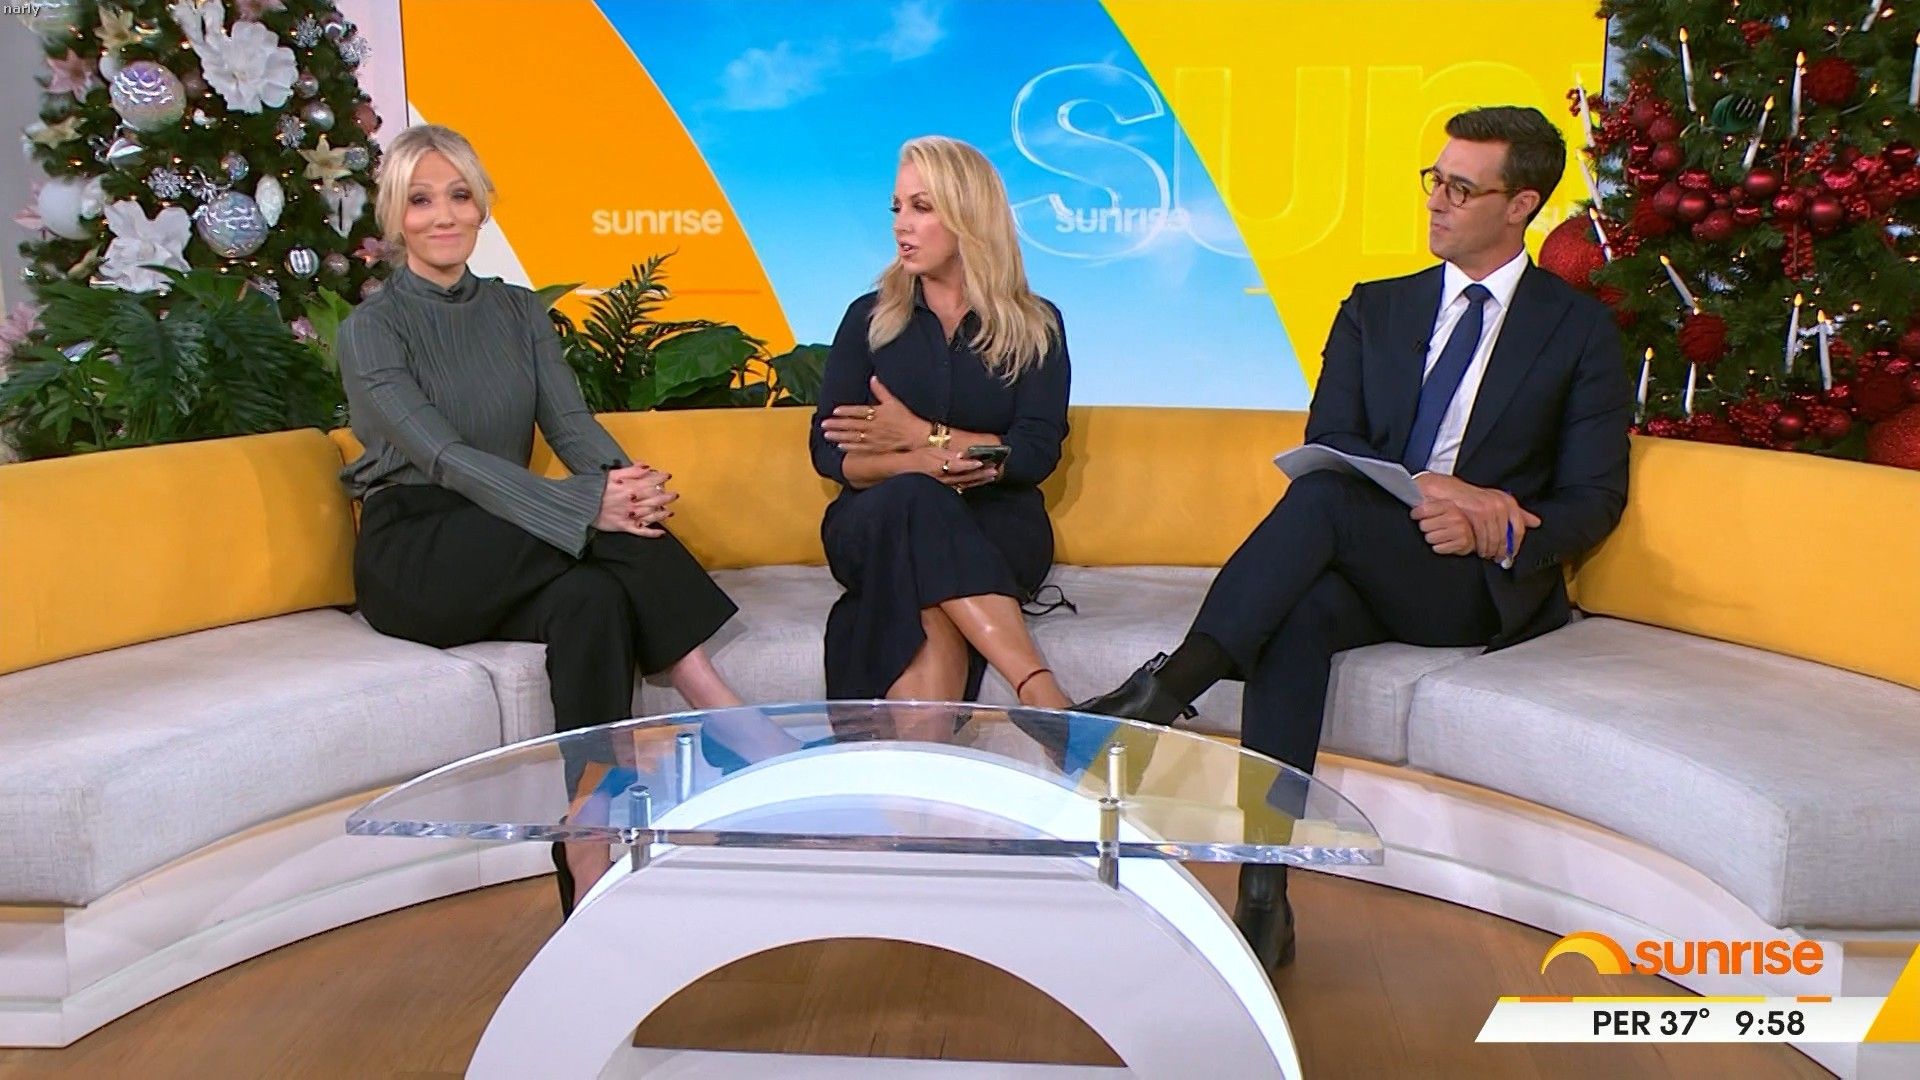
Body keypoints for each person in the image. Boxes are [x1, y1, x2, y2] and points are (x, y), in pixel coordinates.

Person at [1074, 106, 1632, 970]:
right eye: (1435, 181)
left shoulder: (1579, 329)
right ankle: (1264, 897)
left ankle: (1157, 699)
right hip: (1374, 548)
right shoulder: (1377, 307)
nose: (1436, 201)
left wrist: (1490, 529)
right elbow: (1334, 434)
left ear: (1521, 205)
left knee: (1325, 500)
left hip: (1470, 581)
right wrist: (1437, 487)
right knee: (1297, 613)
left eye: (1461, 188)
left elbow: (1594, 499)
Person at [338, 124, 745, 916]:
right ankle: (712, 699)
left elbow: (569, 425)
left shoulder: (517, 311)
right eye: (420, 201)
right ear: (394, 218)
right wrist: (588, 505)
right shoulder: (371, 331)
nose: (443, 215)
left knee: (593, 600)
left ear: (483, 206)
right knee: (595, 527)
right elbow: (446, 458)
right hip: (418, 548)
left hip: (510, 536)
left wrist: (623, 483)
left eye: (459, 195)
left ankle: (588, 835)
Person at [810, 135, 1073, 714]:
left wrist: (920, 435)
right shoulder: (868, 318)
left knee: (918, 595)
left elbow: (1034, 450)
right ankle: (1040, 693)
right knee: (915, 497)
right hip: (875, 519)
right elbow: (829, 453)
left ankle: (914, 774)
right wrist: (919, 464)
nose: (901, 225)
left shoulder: (1035, 325)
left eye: (922, 207)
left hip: (996, 526)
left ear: (968, 216)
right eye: (897, 207)